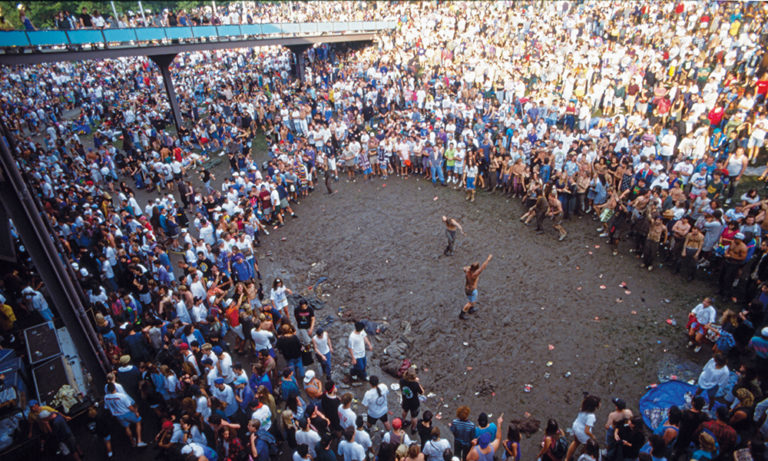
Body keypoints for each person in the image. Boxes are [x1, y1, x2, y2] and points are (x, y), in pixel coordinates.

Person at [102, 383, 146, 447]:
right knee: (138, 422)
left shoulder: (106, 397)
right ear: (115, 388)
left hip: (118, 415)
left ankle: (132, 441)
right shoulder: (122, 396)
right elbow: (130, 407)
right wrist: (136, 411)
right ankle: (139, 441)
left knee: (126, 427)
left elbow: (107, 407)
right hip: (127, 413)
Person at [565, 395, 600, 461]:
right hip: (583, 433)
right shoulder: (591, 416)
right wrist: (592, 436)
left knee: (575, 442)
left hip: (576, 427)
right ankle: (582, 456)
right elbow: (586, 430)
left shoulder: (583, 408)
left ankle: (567, 459)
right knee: (587, 446)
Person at [460, 254, 493, 319]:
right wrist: (488, 259)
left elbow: (464, 268)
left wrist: (469, 267)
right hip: (472, 290)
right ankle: (462, 313)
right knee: (471, 302)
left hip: (467, 288)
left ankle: (471, 309)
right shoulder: (475, 274)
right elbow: (482, 267)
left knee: (473, 300)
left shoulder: (467, 271)